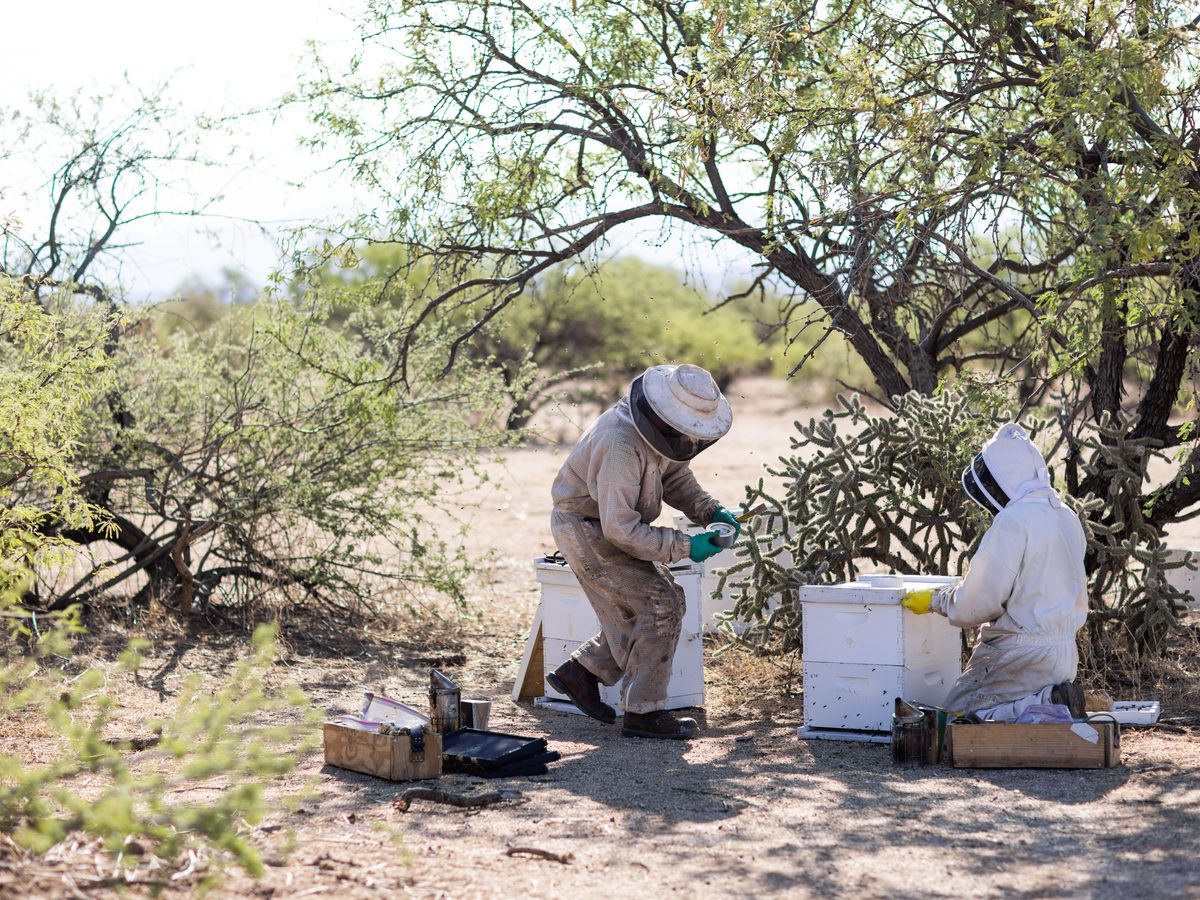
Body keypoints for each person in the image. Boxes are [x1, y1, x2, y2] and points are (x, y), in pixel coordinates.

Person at [546, 363, 738, 740]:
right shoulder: (620, 443)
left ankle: (581, 673)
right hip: (588, 528)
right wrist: (684, 545)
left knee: (665, 603)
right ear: (664, 416)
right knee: (661, 605)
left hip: (609, 526)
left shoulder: (660, 432)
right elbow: (619, 527)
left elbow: (674, 474)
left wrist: (709, 509)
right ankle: (643, 715)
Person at [901, 423, 1089, 722]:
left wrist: (937, 601)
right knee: (1031, 728)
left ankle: (1041, 701)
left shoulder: (1014, 520)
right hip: (1063, 656)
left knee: (953, 721)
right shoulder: (1066, 516)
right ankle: (1051, 703)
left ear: (1003, 478)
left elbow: (977, 602)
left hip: (1017, 655)